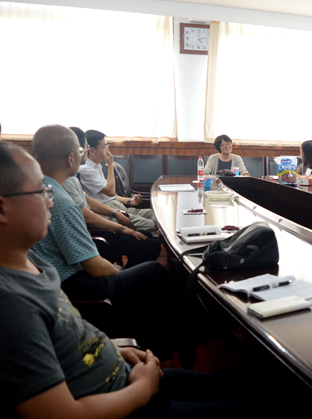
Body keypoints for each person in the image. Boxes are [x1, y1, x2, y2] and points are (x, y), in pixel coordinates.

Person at [0, 142, 261, 417]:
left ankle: (192, 329)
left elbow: (63, 338)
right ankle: (191, 330)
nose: (51, 201)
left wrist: (112, 348)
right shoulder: (11, 305)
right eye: (41, 192)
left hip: (121, 372)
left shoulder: (35, 263)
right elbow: (60, 415)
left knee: (256, 391)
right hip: (129, 401)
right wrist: (142, 389)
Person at [30, 125, 175, 322]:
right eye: (81, 150)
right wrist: (122, 272)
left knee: (143, 265)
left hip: (50, 280)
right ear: (71, 158)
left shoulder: (38, 188)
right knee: (154, 272)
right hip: (71, 285)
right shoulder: (62, 203)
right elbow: (96, 267)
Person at [63, 127, 161, 268]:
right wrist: (121, 227)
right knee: (151, 244)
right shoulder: (73, 176)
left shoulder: (72, 177)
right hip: (99, 231)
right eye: (84, 149)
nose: (107, 150)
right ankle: (128, 275)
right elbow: (91, 213)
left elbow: (88, 200)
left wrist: (117, 211)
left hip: (107, 215)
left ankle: (130, 273)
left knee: (147, 235)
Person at [78, 129, 157, 235]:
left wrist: (129, 200)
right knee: (153, 226)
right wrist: (110, 166)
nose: (107, 150)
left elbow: (108, 196)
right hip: (108, 209)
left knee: (154, 214)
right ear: (91, 151)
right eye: (104, 147)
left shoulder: (96, 166)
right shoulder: (85, 169)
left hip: (117, 205)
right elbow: (110, 192)